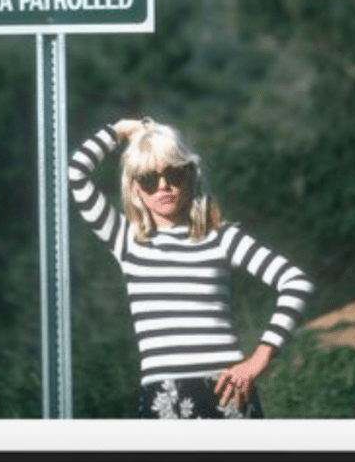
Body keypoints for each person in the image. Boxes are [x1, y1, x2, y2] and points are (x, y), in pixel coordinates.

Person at [68, 116, 315, 419]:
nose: (163, 186)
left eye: (174, 173)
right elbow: (76, 174)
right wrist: (120, 131)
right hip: (163, 398)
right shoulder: (125, 240)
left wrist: (259, 359)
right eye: (148, 178)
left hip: (229, 393)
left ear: (191, 175)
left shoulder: (223, 238)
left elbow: (296, 282)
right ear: (135, 188)